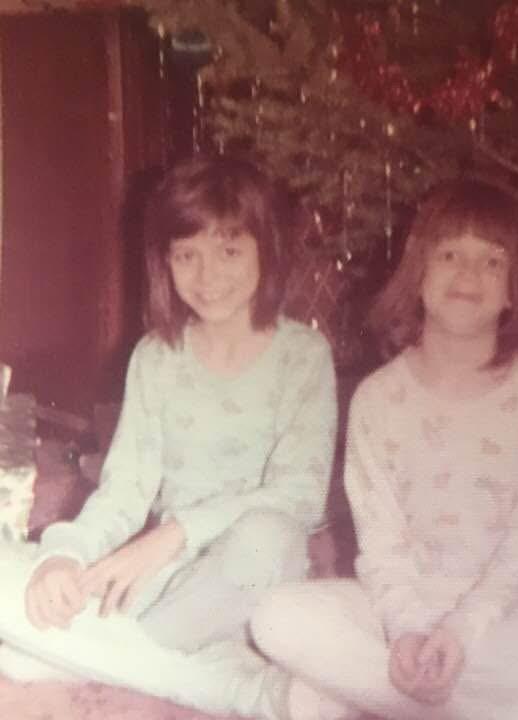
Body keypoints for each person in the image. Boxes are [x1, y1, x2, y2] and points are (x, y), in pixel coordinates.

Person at [0, 155, 338, 719]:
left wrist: (177, 533)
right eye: (187, 255)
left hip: (250, 579)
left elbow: (301, 495)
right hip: (156, 586)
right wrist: (64, 556)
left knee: (269, 534)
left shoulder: (303, 356)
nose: (208, 277)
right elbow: (125, 490)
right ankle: (227, 688)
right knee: (17, 573)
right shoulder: (157, 356)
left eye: (229, 251)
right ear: (165, 262)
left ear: (266, 249)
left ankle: (80, 654)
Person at [250, 179, 518, 720]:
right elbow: (380, 545)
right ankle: (476, 710)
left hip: (502, 613)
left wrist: (460, 633)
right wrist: (407, 630)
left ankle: (371, 694)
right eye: (451, 254)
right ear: (418, 275)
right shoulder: (377, 398)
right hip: (397, 605)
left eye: (491, 262)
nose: (467, 274)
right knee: (275, 616)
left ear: (513, 290)